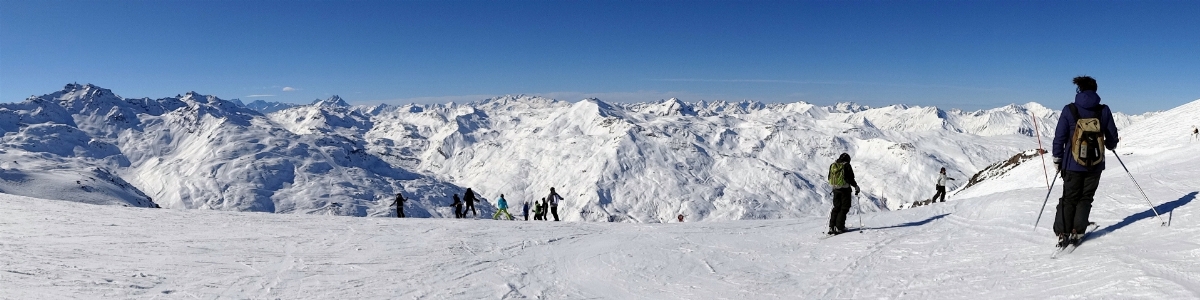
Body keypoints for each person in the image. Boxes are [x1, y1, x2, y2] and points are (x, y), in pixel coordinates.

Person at [1051, 76, 1119, 248]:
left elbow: (1059, 137)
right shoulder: (1103, 110)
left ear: (1079, 90)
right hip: (1095, 165)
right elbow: (1112, 137)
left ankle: (1062, 232)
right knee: (1085, 197)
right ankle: (1077, 231)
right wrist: (1111, 145)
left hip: (1072, 164)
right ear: (1095, 90)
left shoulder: (1069, 110)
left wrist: (1057, 159)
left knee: (1069, 198)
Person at [827, 153, 861, 235]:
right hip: (845, 190)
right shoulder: (846, 166)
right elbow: (850, 178)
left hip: (835, 189)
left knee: (836, 208)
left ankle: (831, 227)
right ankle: (839, 227)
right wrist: (856, 186)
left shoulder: (833, 165)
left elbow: (829, 177)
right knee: (844, 208)